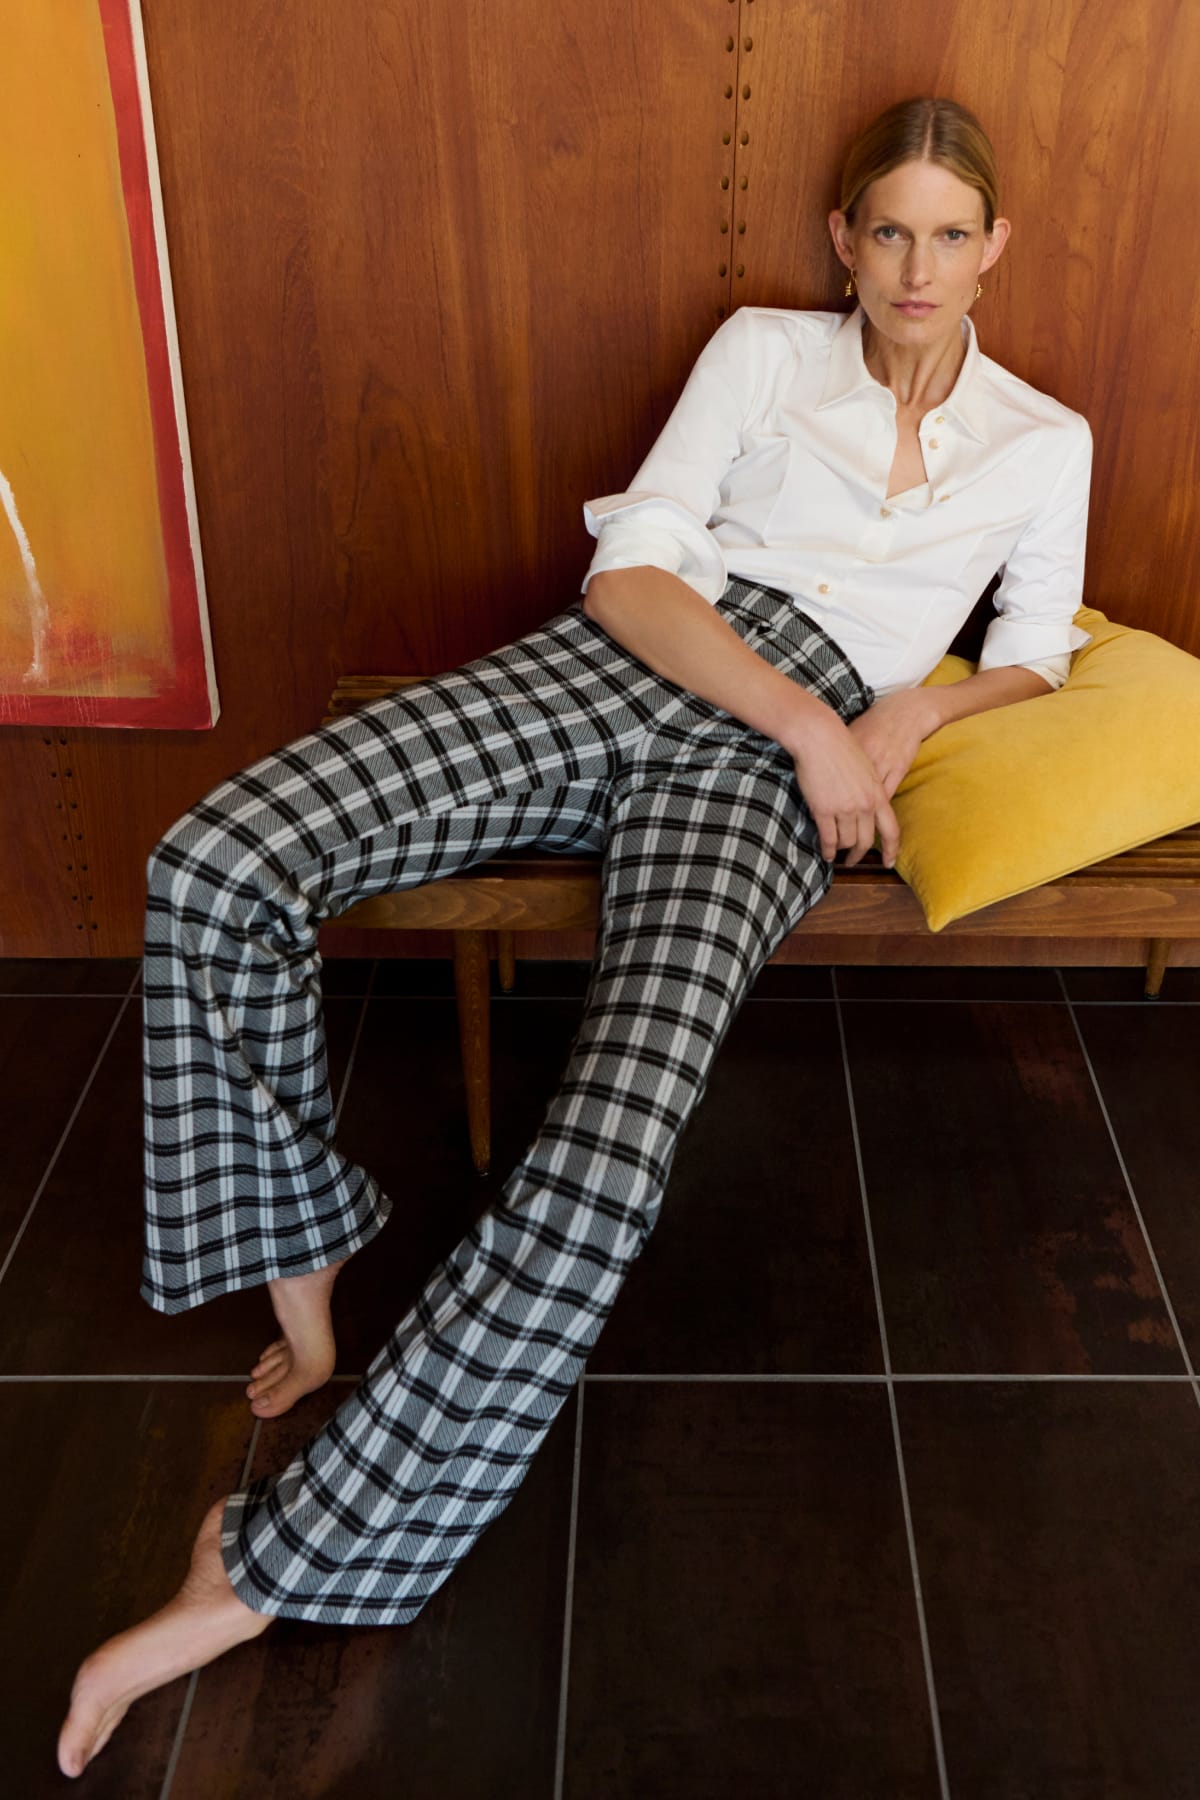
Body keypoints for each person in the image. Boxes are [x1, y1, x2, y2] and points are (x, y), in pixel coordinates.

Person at [58, 95, 1091, 1776]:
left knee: (610, 1155)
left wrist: (898, 714)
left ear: (997, 250)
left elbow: (1037, 645)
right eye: (887, 231)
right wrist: (808, 725)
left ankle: (261, 1568)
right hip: (640, 664)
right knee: (218, 853)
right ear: (845, 241)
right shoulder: (764, 351)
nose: (917, 267)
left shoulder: (1045, 442)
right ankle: (302, 1255)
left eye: (949, 234)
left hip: (786, 762)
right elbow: (634, 577)